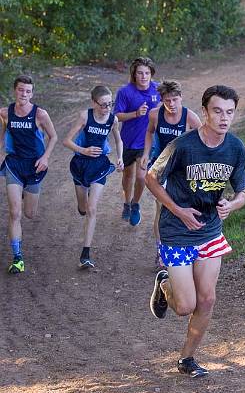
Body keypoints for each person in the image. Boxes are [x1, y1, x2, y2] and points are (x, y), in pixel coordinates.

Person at [148, 85, 245, 378]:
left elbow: (243, 191)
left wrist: (233, 205)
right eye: (217, 111)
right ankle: (165, 284)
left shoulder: (235, 148)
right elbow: (151, 179)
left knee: (207, 300)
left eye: (229, 112)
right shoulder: (182, 146)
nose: (223, 118)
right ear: (203, 112)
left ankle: (187, 359)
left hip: (210, 232)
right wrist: (178, 210)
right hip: (177, 231)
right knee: (185, 306)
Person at [139, 80, 201, 269]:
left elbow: (203, 139)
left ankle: (187, 246)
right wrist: (145, 154)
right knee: (162, 208)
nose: (172, 104)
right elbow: (149, 133)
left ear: (181, 98)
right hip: (161, 167)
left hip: (183, 170)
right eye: (167, 101)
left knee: (184, 207)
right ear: (162, 100)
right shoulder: (155, 115)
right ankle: (161, 252)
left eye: (175, 100)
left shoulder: (190, 117)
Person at [0, 75, 58, 274]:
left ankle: (24, 192)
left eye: (28, 91)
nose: (23, 94)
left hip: (34, 166)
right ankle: (17, 257)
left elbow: (54, 136)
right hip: (14, 164)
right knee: (15, 213)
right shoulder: (5, 113)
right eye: (20, 90)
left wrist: (46, 158)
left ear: (32, 93)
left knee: (29, 214)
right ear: (14, 90)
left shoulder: (40, 114)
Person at [63, 86, 123, 269]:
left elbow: (118, 140)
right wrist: (84, 150)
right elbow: (66, 141)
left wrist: (120, 157)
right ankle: (81, 206)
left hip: (99, 165)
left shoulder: (113, 119)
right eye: (103, 105)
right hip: (81, 163)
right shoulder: (85, 116)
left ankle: (85, 253)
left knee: (92, 208)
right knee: (83, 207)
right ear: (94, 103)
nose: (107, 108)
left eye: (110, 104)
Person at [114, 56, 160, 226]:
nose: (143, 76)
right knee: (127, 175)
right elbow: (117, 116)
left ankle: (136, 204)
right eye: (140, 73)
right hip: (127, 141)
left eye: (147, 73)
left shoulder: (158, 90)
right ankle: (126, 202)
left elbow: (171, 104)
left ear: (151, 74)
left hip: (146, 142)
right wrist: (135, 114)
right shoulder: (125, 92)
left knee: (141, 177)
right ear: (134, 74)